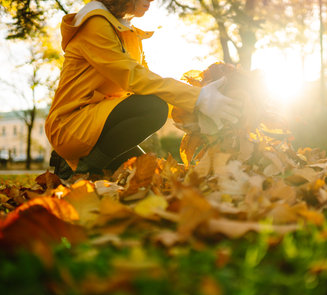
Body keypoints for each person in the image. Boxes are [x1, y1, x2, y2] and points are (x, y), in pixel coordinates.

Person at [46, 0, 241, 179]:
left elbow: (149, 84)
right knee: (154, 108)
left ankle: (76, 164)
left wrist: (195, 109)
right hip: (71, 124)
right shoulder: (95, 25)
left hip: (97, 123)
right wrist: (199, 99)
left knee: (148, 172)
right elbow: (133, 77)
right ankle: (84, 171)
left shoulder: (125, 31)